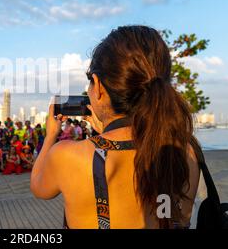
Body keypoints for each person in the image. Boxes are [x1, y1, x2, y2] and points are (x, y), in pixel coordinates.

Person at [31, 25, 202, 229]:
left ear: (98, 85)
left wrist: (51, 135)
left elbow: (39, 187)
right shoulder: (186, 151)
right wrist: (106, 132)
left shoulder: (68, 155)